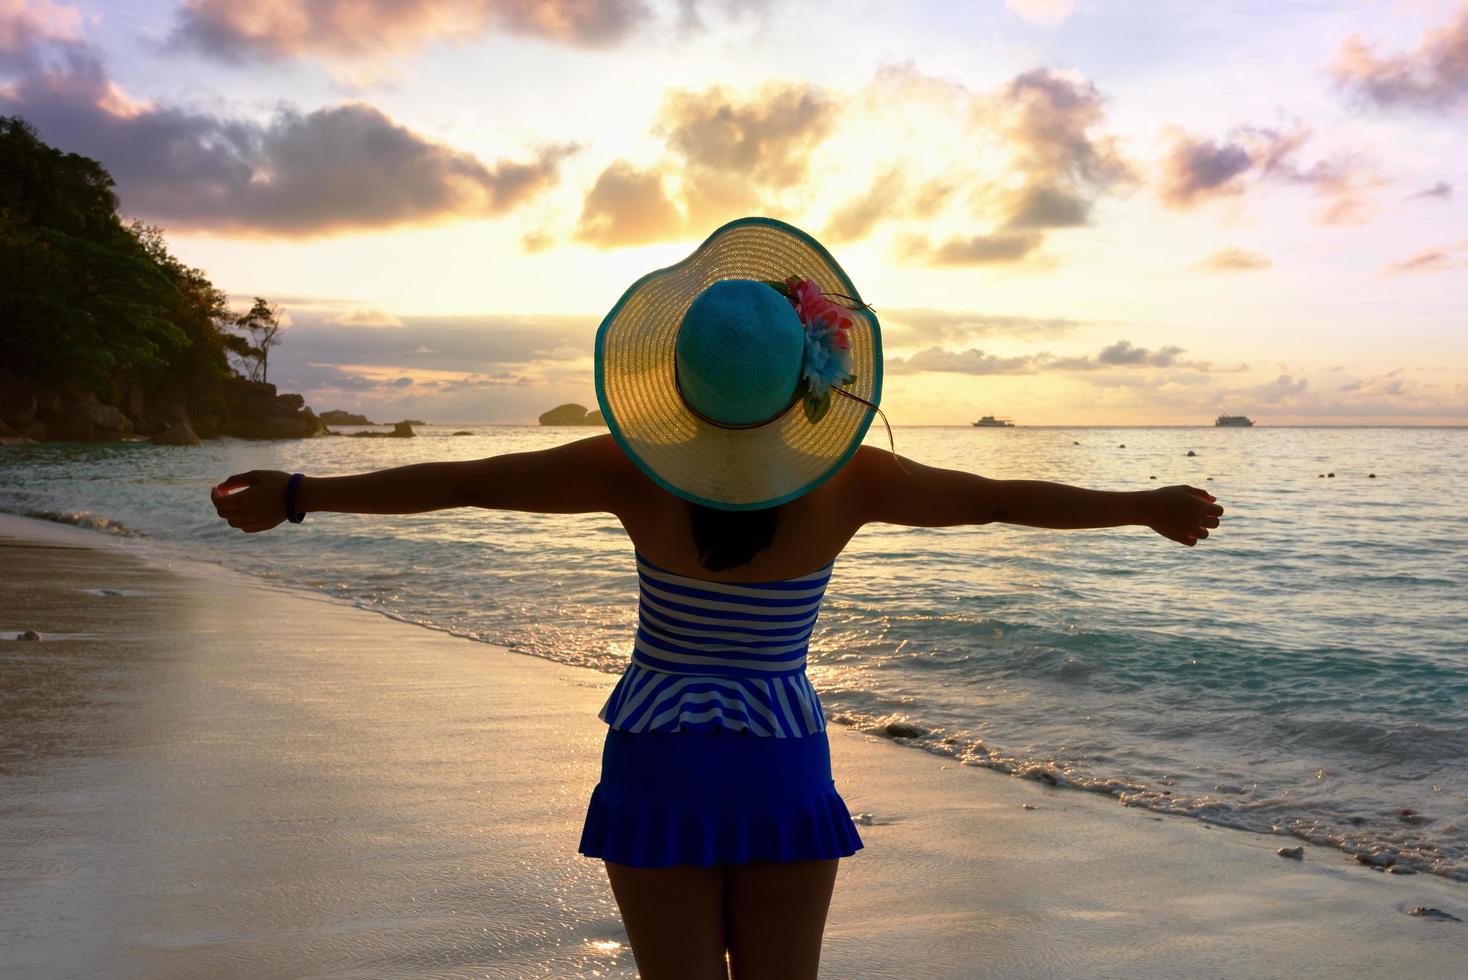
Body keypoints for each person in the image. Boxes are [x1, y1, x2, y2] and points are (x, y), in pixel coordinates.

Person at [210, 217, 1223, 979]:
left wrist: (301, 495)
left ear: (677, 380)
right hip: (779, 757)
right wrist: (1140, 503)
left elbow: (462, 479)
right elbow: (1002, 501)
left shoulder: (626, 470)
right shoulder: (853, 480)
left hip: (657, 750)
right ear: (804, 380)